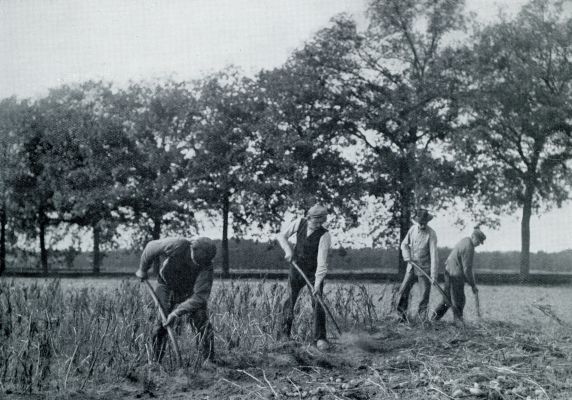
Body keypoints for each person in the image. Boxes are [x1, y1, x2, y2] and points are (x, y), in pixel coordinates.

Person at [135, 237, 217, 362]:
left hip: (190, 292)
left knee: (202, 319)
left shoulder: (207, 266)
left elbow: (200, 297)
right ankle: (155, 362)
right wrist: (143, 269)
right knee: (161, 322)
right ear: (192, 248)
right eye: (197, 260)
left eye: (203, 262)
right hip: (166, 286)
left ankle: (209, 361)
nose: (198, 264)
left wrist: (176, 313)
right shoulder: (178, 245)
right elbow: (151, 247)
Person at [276, 204, 332, 351]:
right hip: (296, 268)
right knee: (289, 299)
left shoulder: (324, 235)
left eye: (322, 221)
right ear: (308, 218)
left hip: (314, 273)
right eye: (316, 221)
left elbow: (322, 262)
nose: (319, 224)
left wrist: (317, 283)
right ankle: (284, 335)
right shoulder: (299, 223)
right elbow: (281, 235)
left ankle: (320, 338)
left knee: (318, 302)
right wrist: (288, 250)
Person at [430, 227, 486, 323]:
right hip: (455, 275)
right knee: (459, 299)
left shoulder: (465, 240)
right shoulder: (469, 247)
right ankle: (458, 321)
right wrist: (473, 285)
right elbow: (467, 269)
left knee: (447, 299)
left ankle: (434, 319)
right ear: (473, 237)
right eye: (478, 241)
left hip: (448, 272)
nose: (478, 244)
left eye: (480, 242)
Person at [396, 209, 439, 322]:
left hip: (424, 269)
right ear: (417, 221)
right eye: (420, 222)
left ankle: (421, 320)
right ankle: (401, 317)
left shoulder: (431, 234)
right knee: (403, 290)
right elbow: (404, 245)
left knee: (424, 296)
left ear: (427, 221)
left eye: (424, 222)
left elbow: (434, 256)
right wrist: (407, 257)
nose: (422, 225)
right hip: (411, 266)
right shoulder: (412, 230)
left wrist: (433, 276)